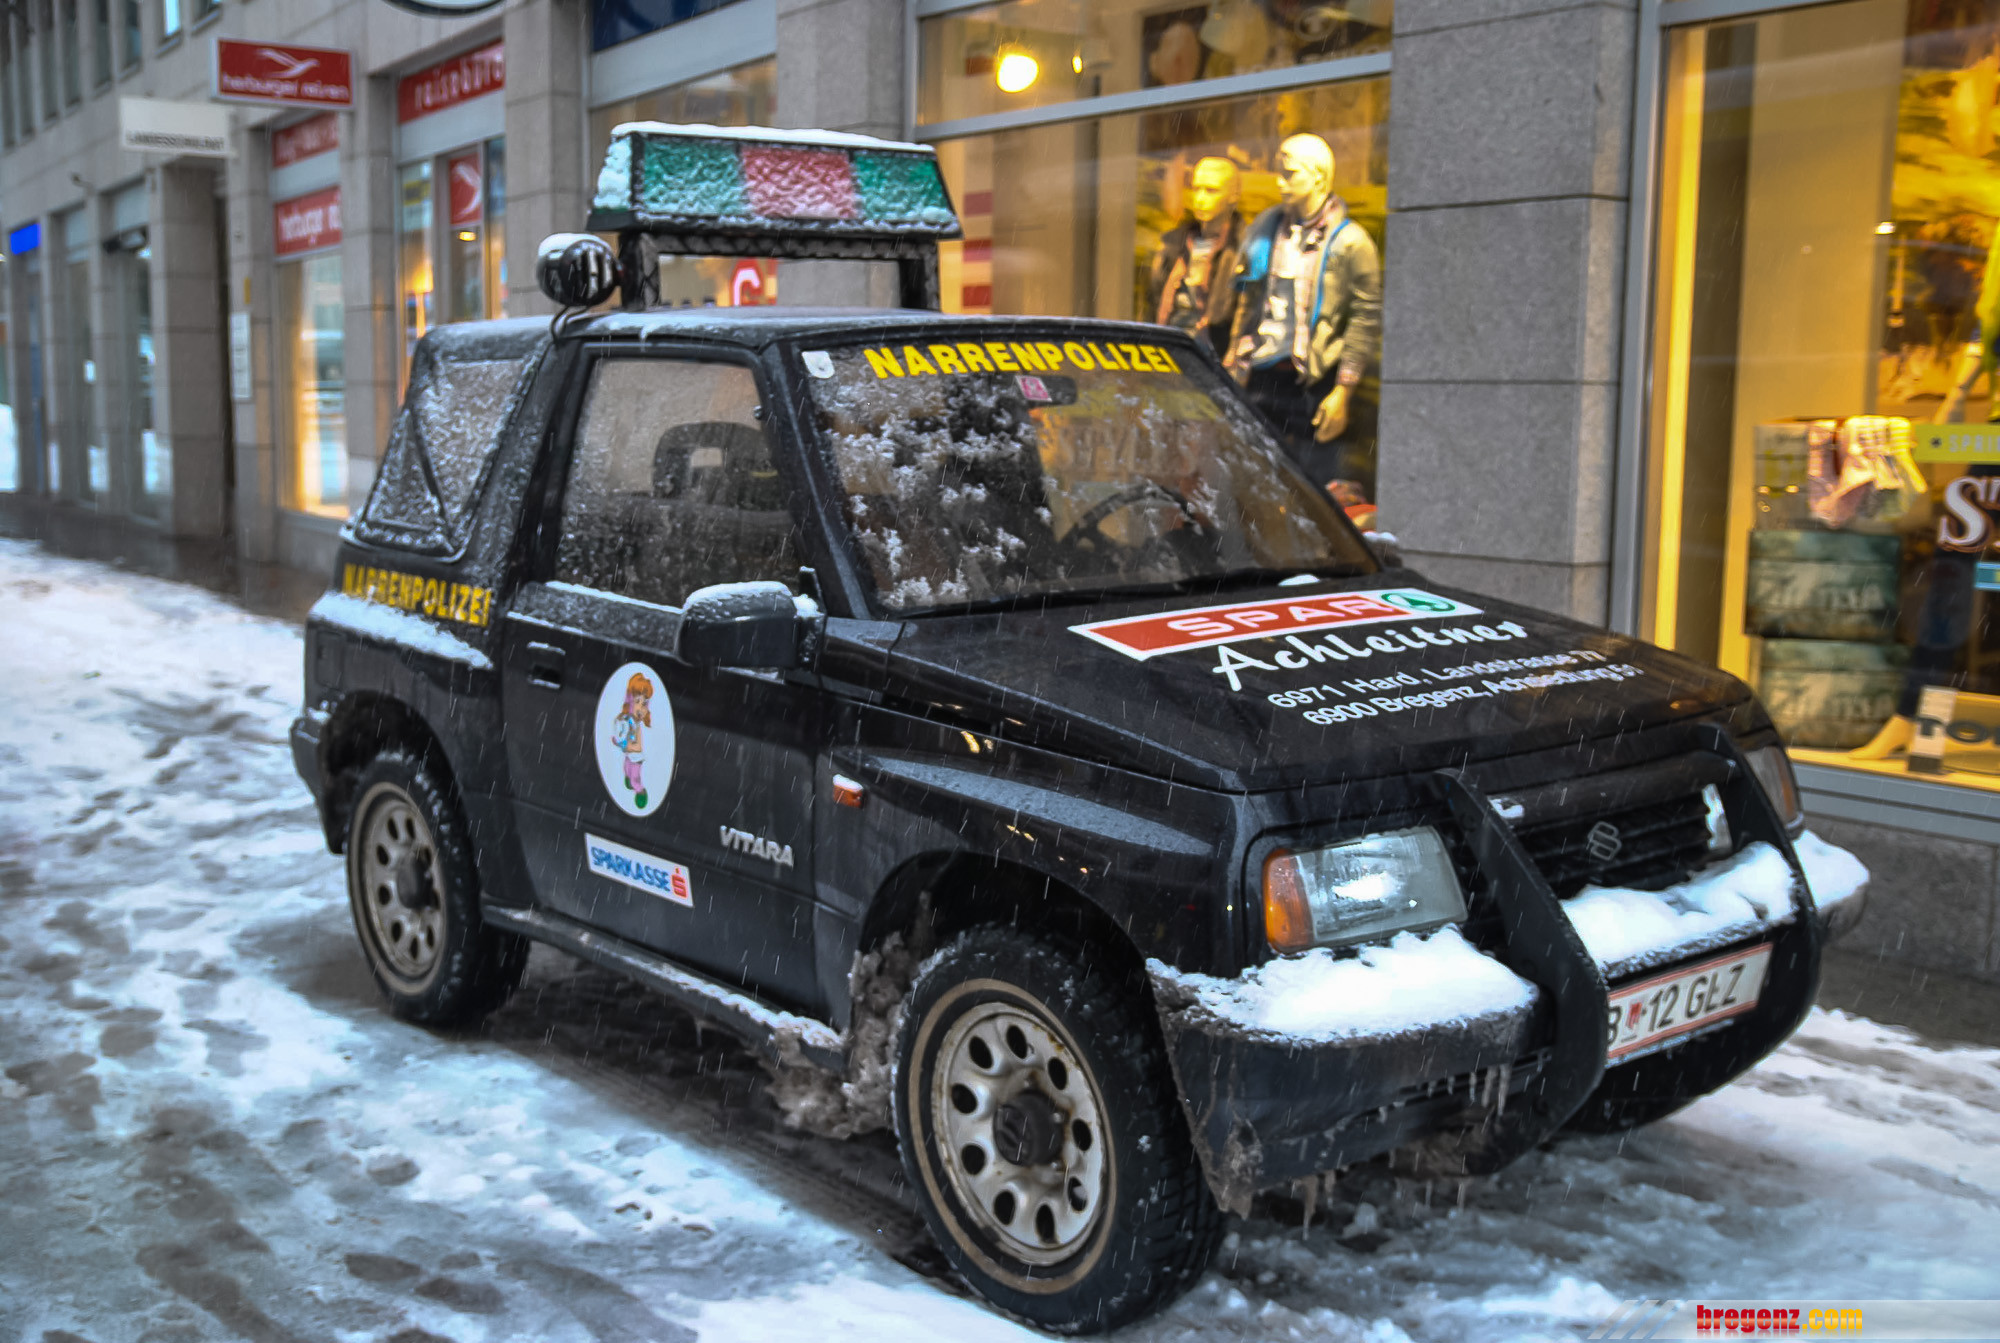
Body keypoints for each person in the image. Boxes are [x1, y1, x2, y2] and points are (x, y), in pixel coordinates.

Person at [1226, 132, 1382, 501]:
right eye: (1279, 173)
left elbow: (1364, 318)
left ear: (1318, 177)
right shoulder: (1265, 232)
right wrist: (1234, 355)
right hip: (1263, 374)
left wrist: (1343, 390)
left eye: (1290, 174)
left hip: (1315, 381)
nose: (1280, 184)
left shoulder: (1350, 242)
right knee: (1253, 482)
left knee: (1318, 489)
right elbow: (1249, 299)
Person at [1148, 157, 1245, 357]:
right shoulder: (1174, 245)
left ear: (1233, 195)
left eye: (1211, 190)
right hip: (1169, 350)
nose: (1200, 198)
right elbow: (1154, 302)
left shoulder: (1242, 248)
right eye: (1196, 189)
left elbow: (1243, 313)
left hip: (1213, 355)